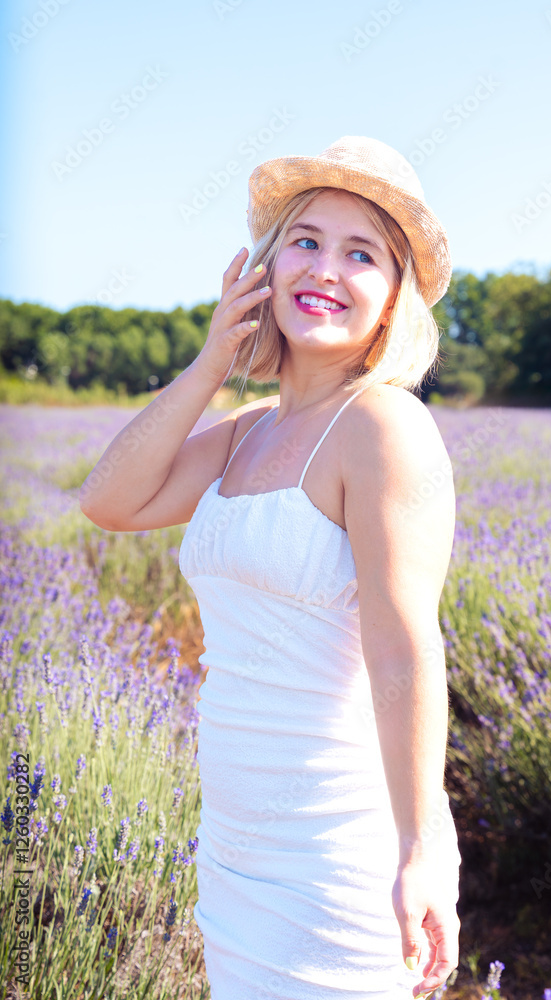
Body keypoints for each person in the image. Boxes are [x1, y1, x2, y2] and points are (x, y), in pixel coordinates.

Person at [79, 136, 461, 1000]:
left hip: (333, 848)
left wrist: (421, 849)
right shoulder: (248, 428)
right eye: (305, 241)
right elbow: (108, 500)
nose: (324, 268)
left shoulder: (384, 428)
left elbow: (405, 650)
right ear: (266, 265)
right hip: (234, 846)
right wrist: (213, 359)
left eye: (361, 253)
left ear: (393, 297)